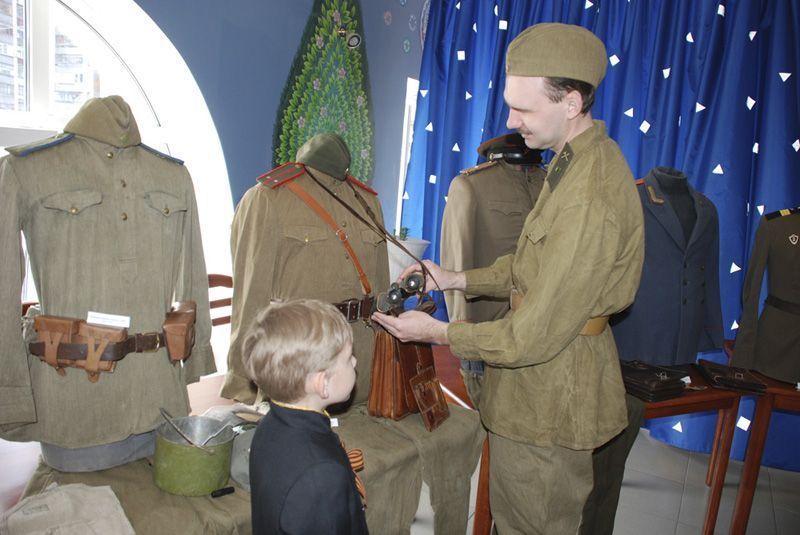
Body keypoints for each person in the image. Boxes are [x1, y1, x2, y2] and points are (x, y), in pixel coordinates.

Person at [373, 22, 644, 534]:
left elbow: (531, 335)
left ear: (571, 102)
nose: (510, 121)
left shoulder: (588, 194)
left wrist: (438, 333)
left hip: (550, 398)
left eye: (524, 109)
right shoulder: (570, 164)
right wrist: (452, 277)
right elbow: (527, 268)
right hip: (539, 387)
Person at [242, 299, 368, 535]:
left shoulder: (269, 425)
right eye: (347, 358)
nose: (355, 361)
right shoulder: (321, 476)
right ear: (323, 384)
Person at [440, 133, 545, 407]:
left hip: (544, 335)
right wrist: (465, 343)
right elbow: (456, 262)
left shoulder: (551, 185)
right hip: (490, 336)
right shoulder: (471, 185)